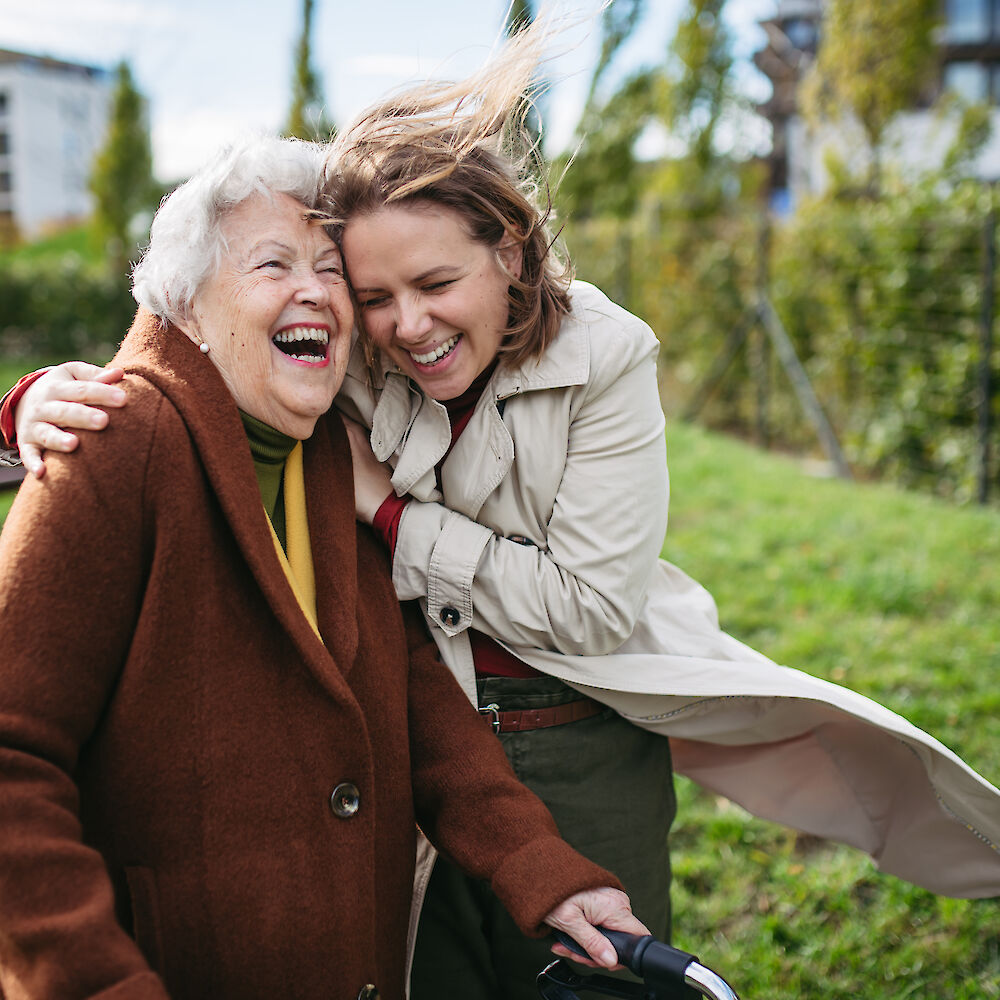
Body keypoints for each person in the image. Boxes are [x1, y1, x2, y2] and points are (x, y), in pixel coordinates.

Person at [5, 24, 1000, 1000]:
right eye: (369, 290)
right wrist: (25, 408)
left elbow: (568, 613)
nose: (402, 324)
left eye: (431, 283)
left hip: (572, 716)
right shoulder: (297, 379)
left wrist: (389, 515)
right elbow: (181, 356)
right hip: (407, 756)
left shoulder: (589, 366)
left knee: (591, 972)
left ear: (514, 256)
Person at [0, 135, 651, 1000]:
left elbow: (407, 684)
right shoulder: (116, 442)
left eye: (328, 267)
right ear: (187, 307)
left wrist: (541, 866)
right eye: (272, 263)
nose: (315, 289)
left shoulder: (323, 451)